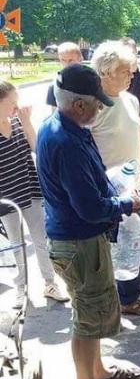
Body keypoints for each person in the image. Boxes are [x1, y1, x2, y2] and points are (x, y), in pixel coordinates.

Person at [36, 64, 140, 379]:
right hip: (78, 241)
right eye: (96, 102)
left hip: (77, 239)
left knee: (93, 308)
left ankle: (97, 370)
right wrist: (127, 203)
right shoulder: (65, 141)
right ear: (79, 105)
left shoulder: (61, 127)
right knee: (86, 315)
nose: (100, 107)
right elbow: (90, 208)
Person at [89, 41, 140, 317]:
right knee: (107, 252)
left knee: (137, 248)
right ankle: (107, 305)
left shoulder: (130, 99)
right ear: (105, 72)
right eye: (125, 72)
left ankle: (129, 300)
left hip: (135, 189)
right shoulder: (91, 106)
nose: (131, 76)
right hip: (106, 194)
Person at [0, 81, 69, 308]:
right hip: (7, 199)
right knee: (16, 243)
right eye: (12, 103)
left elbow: (37, 147)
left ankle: (50, 283)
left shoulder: (19, 122)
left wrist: (27, 122)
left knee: (41, 239)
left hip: (30, 191)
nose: (16, 106)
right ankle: (21, 288)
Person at [46, 42, 84, 110]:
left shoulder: (90, 80)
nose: (67, 64)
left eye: (71, 60)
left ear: (80, 59)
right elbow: (54, 110)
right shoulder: (55, 84)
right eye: (63, 60)